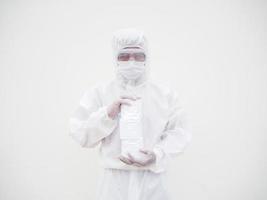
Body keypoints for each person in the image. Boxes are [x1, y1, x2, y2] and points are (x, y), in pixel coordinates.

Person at [69, 28, 192, 200]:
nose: (131, 61)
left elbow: (181, 132)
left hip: (153, 182)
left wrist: (157, 154)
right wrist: (107, 114)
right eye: (124, 56)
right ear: (115, 59)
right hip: (113, 183)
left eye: (138, 56)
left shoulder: (165, 95)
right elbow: (80, 133)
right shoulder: (100, 93)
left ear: (146, 58)